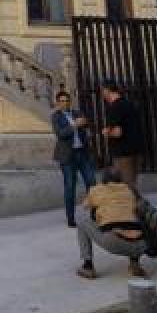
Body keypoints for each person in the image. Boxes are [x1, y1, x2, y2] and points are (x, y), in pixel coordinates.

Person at [76, 168, 148, 279]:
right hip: (141, 244)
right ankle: (135, 264)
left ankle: (88, 266)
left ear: (103, 179)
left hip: (114, 242)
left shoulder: (96, 190)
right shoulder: (130, 190)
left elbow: (85, 207)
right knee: (132, 221)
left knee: (81, 218)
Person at [51, 90, 96, 227]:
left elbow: (87, 125)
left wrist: (86, 123)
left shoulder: (77, 113)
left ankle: (95, 214)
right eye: (62, 101)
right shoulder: (56, 117)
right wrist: (75, 125)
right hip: (67, 156)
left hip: (82, 153)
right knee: (70, 186)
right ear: (58, 103)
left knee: (92, 182)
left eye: (67, 101)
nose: (65, 103)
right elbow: (61, 134)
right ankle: (70, 218)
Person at [100, 79, 143, 189]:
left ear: (107, 90)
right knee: (132, 185)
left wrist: (106, 132)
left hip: (123, 154)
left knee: (125, 188)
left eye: (102, 91)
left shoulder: (114, 107)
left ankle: (137, 205)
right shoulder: (129, 104)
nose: (102, 94)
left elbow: (118, 132)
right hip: (136, 150)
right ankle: (136, 204)